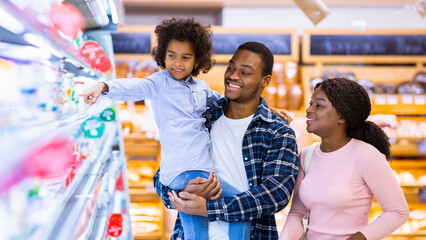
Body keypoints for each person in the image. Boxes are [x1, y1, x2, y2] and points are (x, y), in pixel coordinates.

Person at [80, 19, 290, 240]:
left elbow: (224, 102)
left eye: (185, 57)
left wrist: (266, 108)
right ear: (163, 55)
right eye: (171, 55)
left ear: (197, 59)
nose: (177, 63)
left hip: (191, 172)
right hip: (189, 171)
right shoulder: (159, 83)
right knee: (238, 215)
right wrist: (104, 87)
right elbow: (135, 86)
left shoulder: (202, 91)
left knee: (196, 230)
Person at [154, 41, 299, 240]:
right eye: (231, 68)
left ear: (265, 81)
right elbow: (162, 175)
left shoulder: (278, 132)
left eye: (245, 72)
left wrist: (210, 209)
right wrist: (181, 192)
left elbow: (275, 194)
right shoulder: (202, 119)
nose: (233, 76)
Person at [280, 78, 409, 240]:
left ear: (341, 116)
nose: (308, 110)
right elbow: (297, 213)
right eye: (310, 103)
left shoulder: (367, 156)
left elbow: (398, 211)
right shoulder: (307, 155)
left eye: (318, 105)